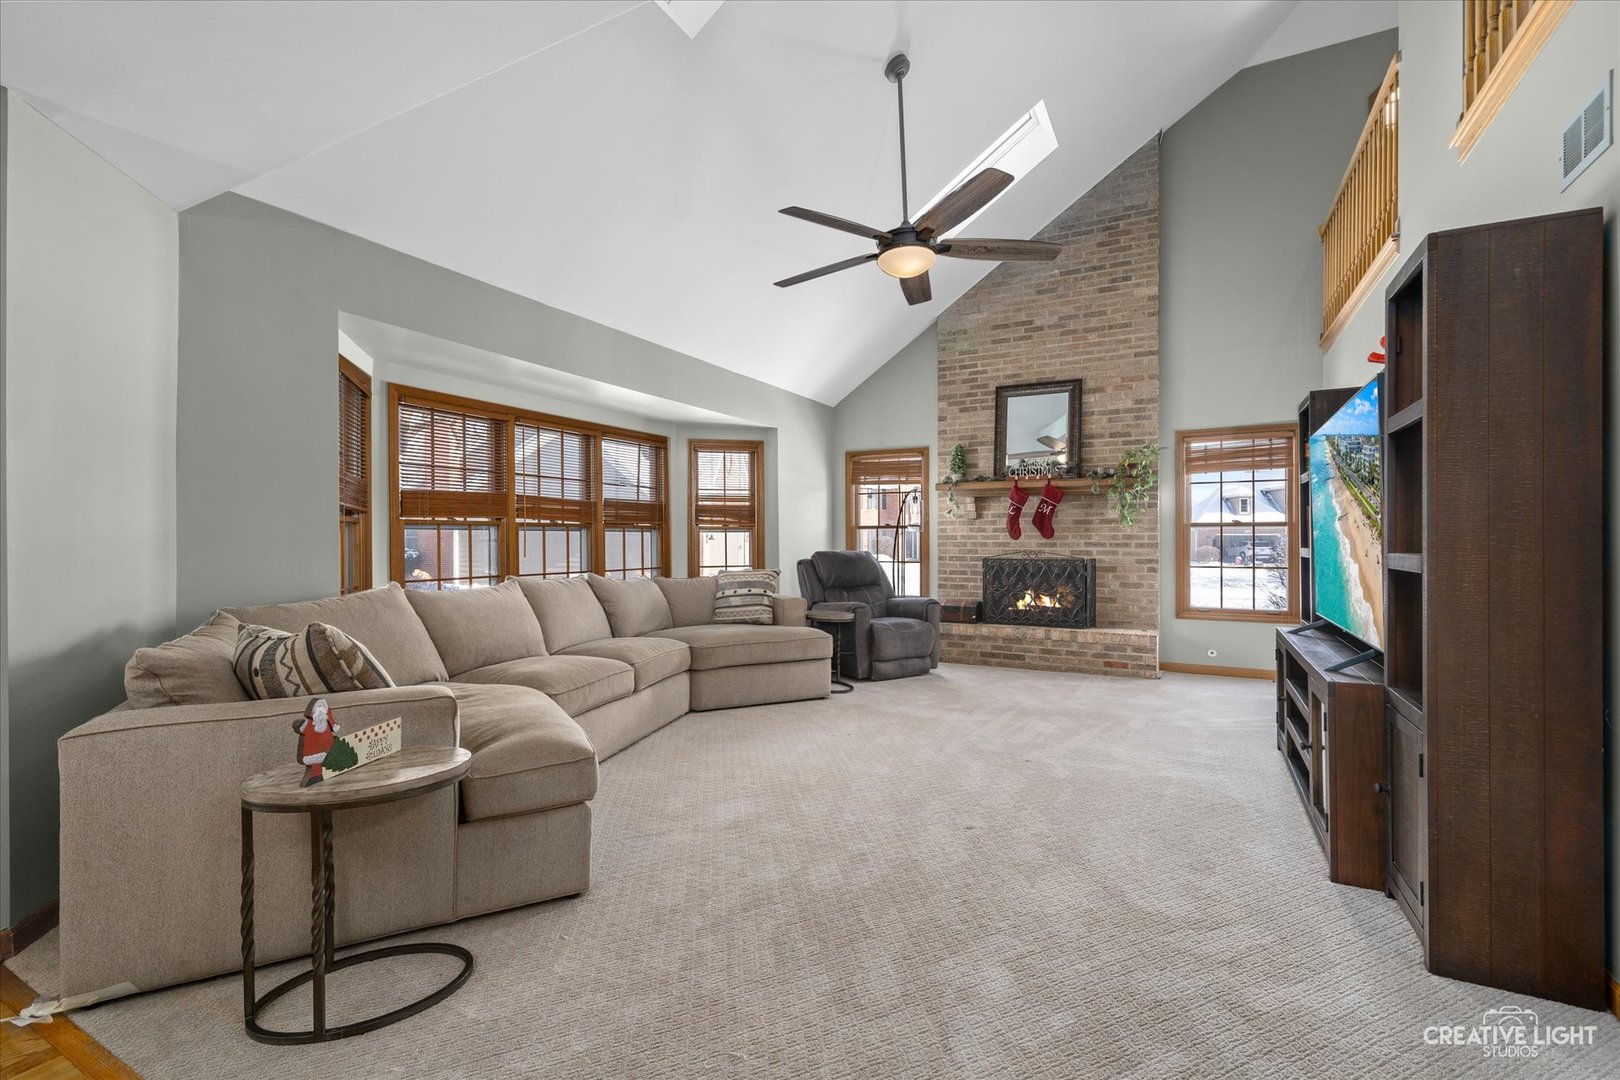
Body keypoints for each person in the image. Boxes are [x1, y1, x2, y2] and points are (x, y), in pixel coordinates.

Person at [294, 698, 341, 787]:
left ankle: (327, 771)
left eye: (322, 707)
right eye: (318, 707)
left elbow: (334, 726)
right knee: (316, 763)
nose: (320, 709)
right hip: (313, 748)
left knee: (327, 760)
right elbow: (300, 728)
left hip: (327, 745)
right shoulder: (310, 724)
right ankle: (314, 776)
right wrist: (299, 725)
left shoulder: (326, 721)